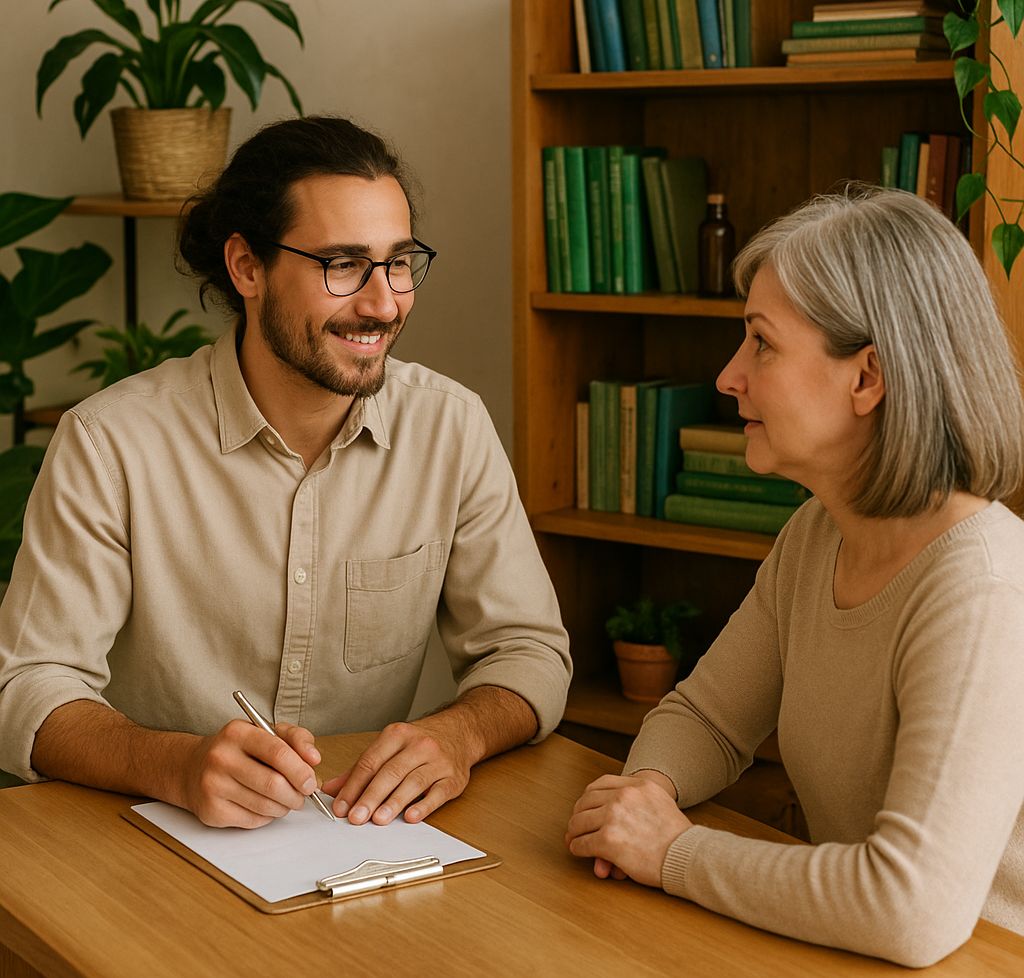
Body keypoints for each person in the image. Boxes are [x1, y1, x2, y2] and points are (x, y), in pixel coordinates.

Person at [0, 115, 571, 831]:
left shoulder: (451, 428)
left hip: (361, 844)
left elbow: (528, 651)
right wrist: (173, 765)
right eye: (342, 264)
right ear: (247, 268)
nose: (384, 302)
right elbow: (28, 685)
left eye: (398, 262)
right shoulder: (110, 442)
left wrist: (459, 735)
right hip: (145, 841)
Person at [565, 186, 1024, 967]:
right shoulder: (818, 532)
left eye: (761, 344)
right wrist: (643, 797)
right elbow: (705, 719)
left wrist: (674, 853)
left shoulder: (982, 589)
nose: (728, 376)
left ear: (868, 378)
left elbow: (910, 909)